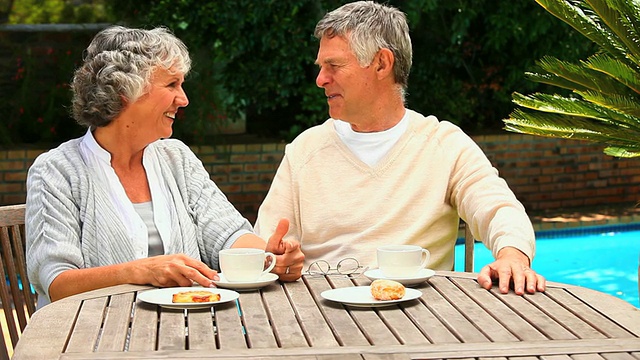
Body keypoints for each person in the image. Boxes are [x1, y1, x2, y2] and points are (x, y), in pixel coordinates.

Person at [255, 1, 545, 295]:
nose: (320, 80)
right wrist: (277, 259)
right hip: (324, 320)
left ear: (382, 63)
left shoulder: (443, 144)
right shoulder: (304, 151)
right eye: (321, 67)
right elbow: (266, 247)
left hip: (422, 322)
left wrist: (512, 255)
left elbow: (499, 210)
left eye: (334, 66)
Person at [25, 25, 304, 308]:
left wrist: (269, 257)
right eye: (172, 85)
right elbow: (58, 284)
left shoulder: (176, 158)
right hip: (94, 339)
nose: (183, 99)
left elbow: (227, 234)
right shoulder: (56, 171)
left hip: (184, 331)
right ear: (125, 92)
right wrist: (138, 271)